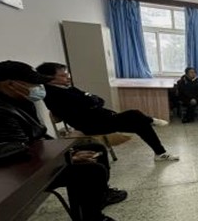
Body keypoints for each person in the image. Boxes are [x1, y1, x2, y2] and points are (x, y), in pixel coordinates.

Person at [0, 61, 125, 221]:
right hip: (21, 174)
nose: (39, 88)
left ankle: (101, 195)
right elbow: (17, 153)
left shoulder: (18, 101)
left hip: (34, 159)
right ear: (11, 84)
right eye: (33, 83)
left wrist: (68, 153)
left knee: (95, 148)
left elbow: (39, 137)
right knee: (92, 170)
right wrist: (66, 159)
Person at [36, 62, 179, 161]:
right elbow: (85, 105)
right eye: (63, 75)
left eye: (67, 74)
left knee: (140, 124)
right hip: (91, 125)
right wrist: (90, 101)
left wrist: (90, 101)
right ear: (49, 78)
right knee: (135, 114)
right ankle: (151, 121)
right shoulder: (52, 95)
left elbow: (96, 99)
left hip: (102, 118)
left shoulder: (67, 88)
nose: (68, 77)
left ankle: (160, 153)